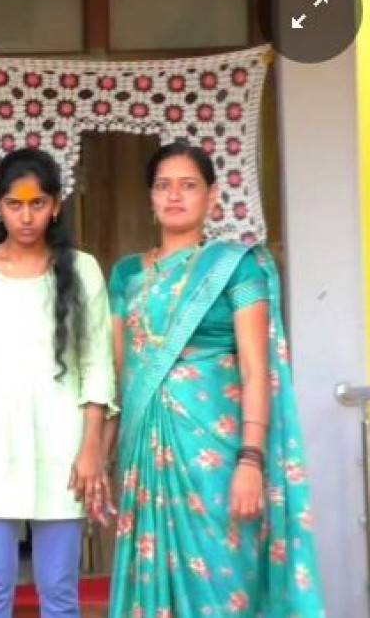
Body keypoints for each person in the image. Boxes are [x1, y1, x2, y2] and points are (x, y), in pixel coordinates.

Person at [106, 142, 325, 617]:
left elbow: (254, 368)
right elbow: (117, 374)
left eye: (189, 185)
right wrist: (101, 452)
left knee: (225, 586)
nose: (175, 196)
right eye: (163, 186)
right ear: (150, 197)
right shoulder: (125, 274)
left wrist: (251, 460)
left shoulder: (237, 265)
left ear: (213, 196)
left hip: (218, 457)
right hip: (146, 455)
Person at [0, 148, 116, 618]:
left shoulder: (83, 269)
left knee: (60, 593)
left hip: (63, 447)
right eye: (15, 204)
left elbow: (97, 364)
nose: (26, 216)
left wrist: (92, 447)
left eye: (37, 204)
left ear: (56, 206)